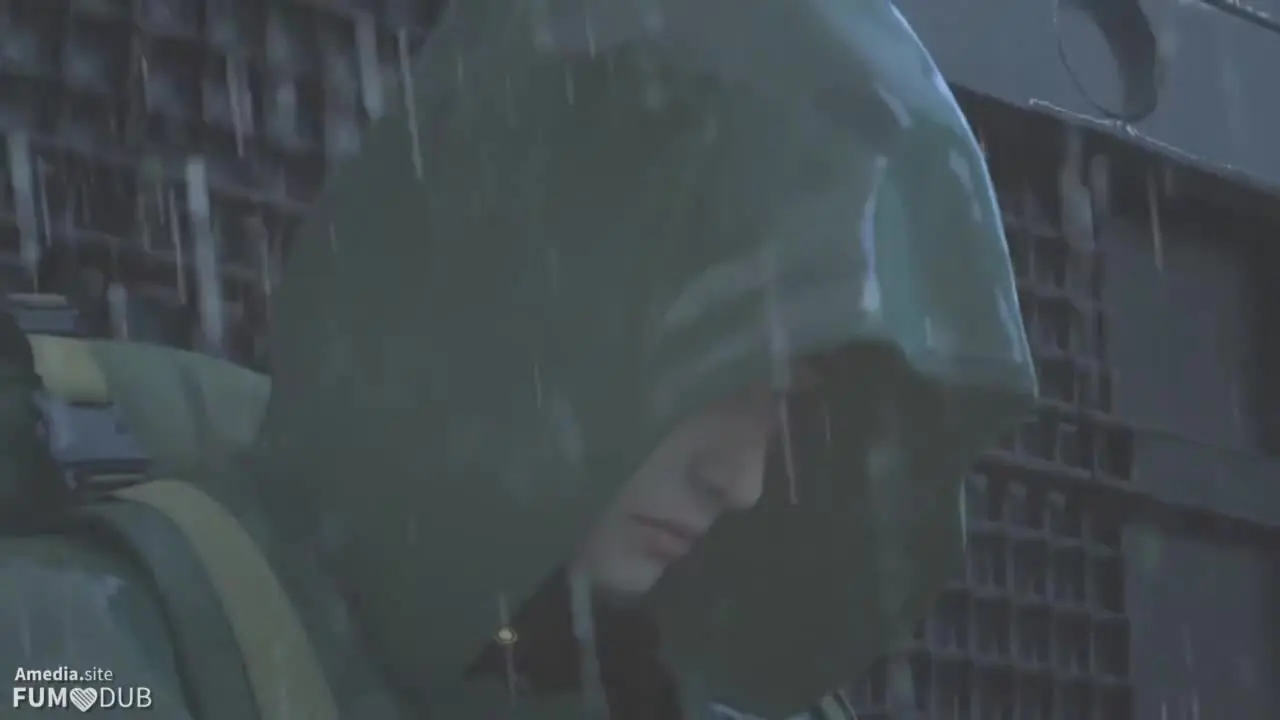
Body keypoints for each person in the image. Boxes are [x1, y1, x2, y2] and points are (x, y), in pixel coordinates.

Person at [0, 0, 1037, 718]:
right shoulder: (76, 657)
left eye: (785, 409)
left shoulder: (694, 689)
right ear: (541, 309)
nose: (742, 478)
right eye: (725, 374)